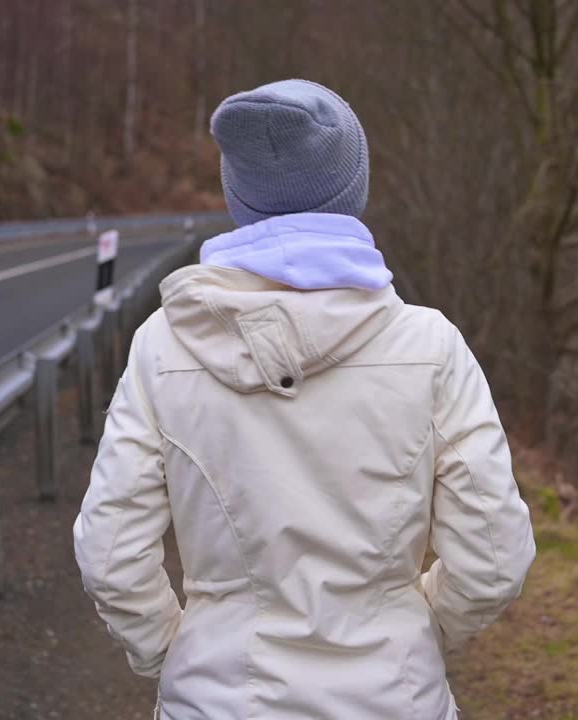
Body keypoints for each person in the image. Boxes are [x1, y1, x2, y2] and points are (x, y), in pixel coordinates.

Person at [73, 79, 535, 720]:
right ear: (352, 190)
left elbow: (109, 554)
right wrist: (416, 631)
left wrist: (173, 654)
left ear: (238, 197)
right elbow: (494, 554)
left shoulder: (162, 348)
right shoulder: (430, 345)